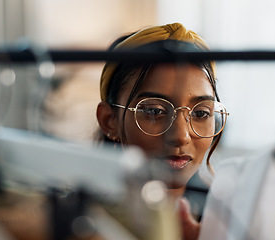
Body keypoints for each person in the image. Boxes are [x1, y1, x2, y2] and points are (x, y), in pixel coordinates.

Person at [95, 22, 229, 239]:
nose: (180, 136)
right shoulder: (77, 221)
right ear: (110, 120)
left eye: (201, 113)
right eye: (155, 111)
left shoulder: (230, 218)